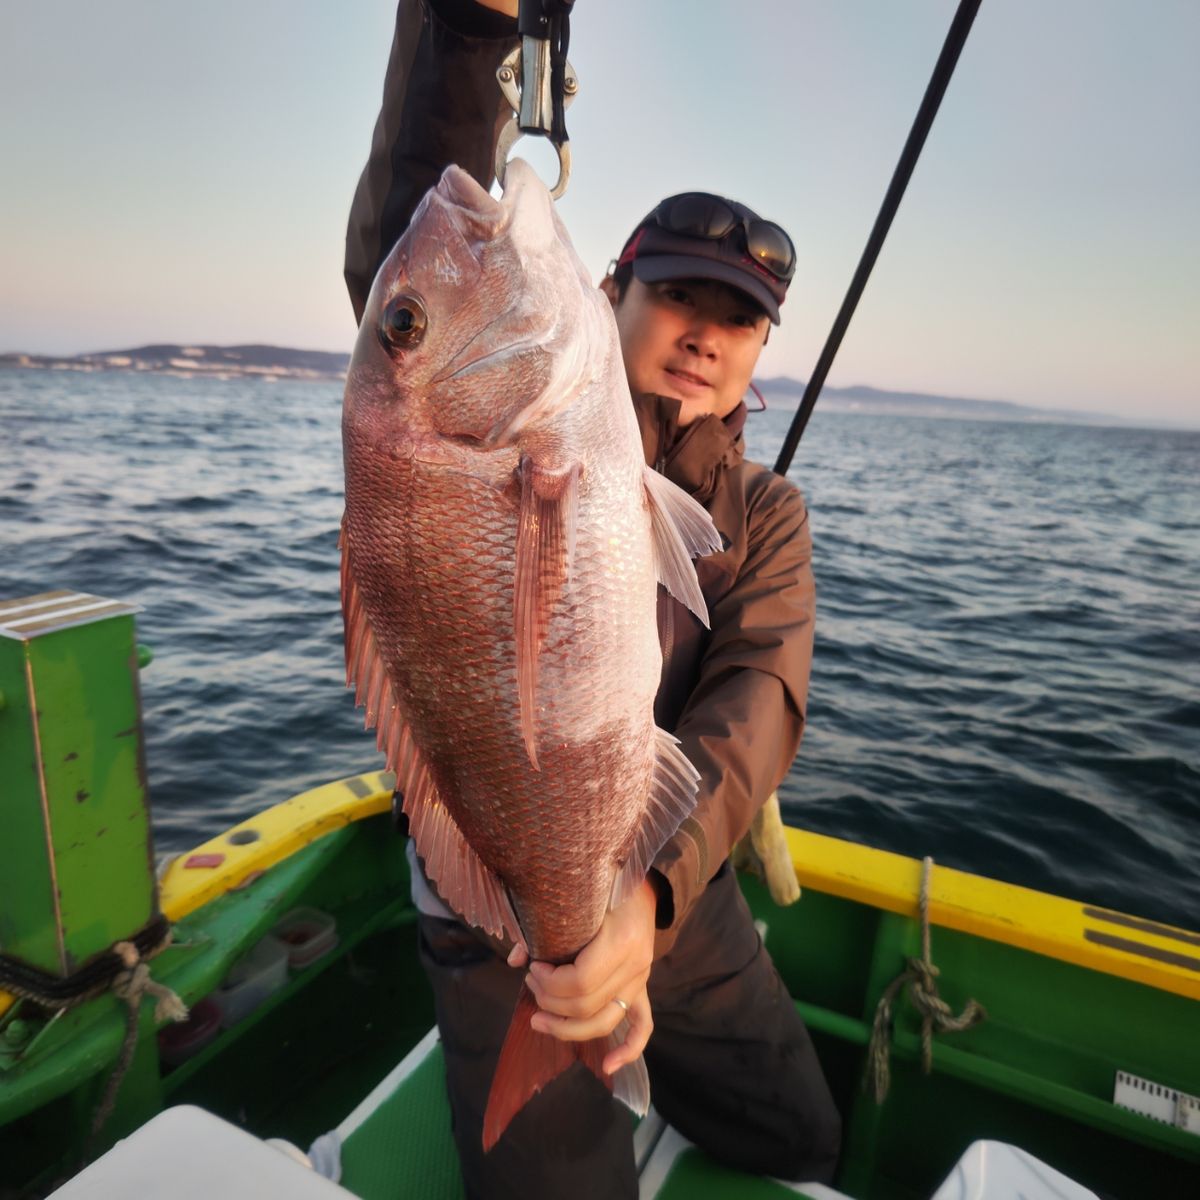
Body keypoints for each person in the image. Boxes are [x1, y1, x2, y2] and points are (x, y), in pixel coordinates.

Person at [344, 2, 841, 1196]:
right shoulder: (486, 416)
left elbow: (756, 703)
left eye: (742, 322)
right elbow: (424, 217)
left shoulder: (764, 516)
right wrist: (476, 25)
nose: (706, 339)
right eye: (679, 299)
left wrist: (647, 908)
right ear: (611, 290)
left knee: (802, 1137)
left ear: (764, 350)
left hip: (671, 885)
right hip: (498, 892)